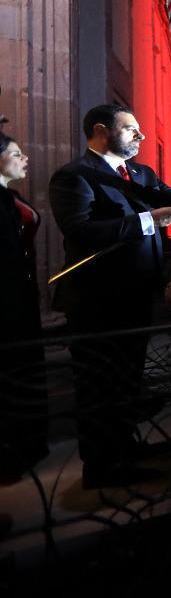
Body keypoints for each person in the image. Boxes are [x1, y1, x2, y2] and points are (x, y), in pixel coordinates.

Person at [48, 104, 171, 489]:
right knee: (101, 384)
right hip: (96, 299)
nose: (142, 136)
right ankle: (101, 467)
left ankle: (126, 449)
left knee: (127, 381)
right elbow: (81, 232)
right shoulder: (74, 177)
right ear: (101, 131)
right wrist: (148, 220)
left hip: (136, 293)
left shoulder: (140, 174)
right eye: (131, 129)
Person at [0, 129, 49, 479]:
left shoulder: (10, 196)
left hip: (22, 294)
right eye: (17, 153)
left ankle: (28, 442)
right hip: (4, 300)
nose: (25, 158)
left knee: (25, 367)